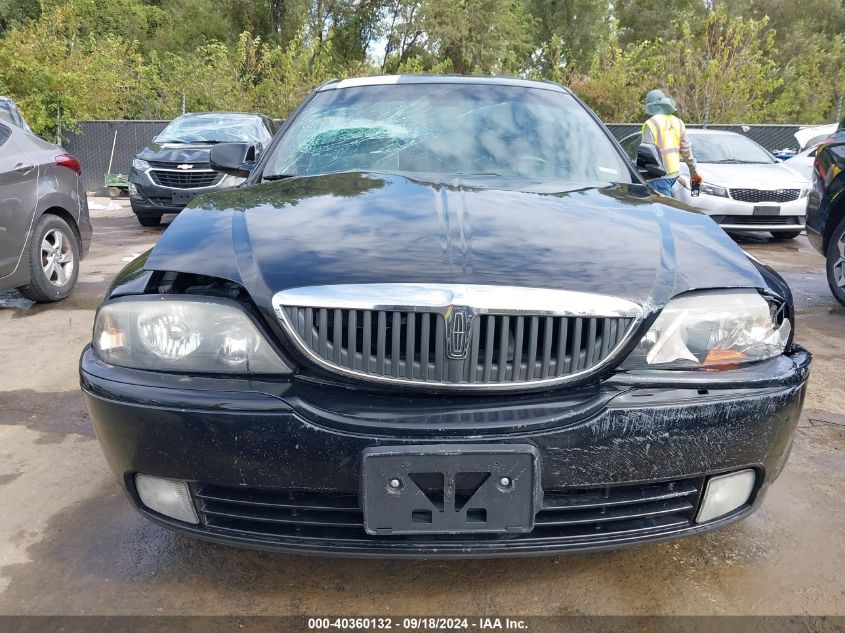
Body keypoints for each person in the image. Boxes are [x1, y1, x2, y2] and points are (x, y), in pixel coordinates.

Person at [641, 89, 701, 197]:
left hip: (658, 177)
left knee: (664, 211)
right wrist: (693, 172)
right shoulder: (678, 122)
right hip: (674, 174)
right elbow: (686, 150)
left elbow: (646, 154)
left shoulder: (651, 123)